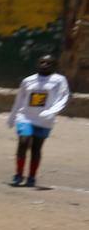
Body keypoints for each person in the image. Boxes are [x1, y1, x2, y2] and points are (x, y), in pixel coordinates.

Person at [8, 53, 71, 187]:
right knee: (23, 142)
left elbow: (63, 98)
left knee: (36, 148)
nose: (44, 65)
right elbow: (19, 99)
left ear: (54, 66)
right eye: (42, 62)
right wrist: (12, 117)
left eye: (48, 63)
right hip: (25, 116)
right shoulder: (28, 80)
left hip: (44, 120)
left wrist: (51, 112)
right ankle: (18, 175)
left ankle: (31, 177)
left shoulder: (59, 80)